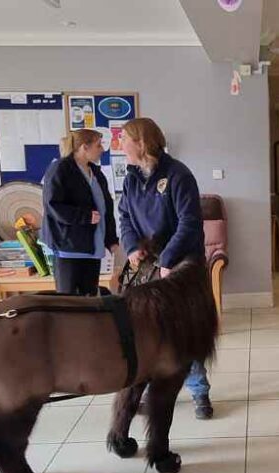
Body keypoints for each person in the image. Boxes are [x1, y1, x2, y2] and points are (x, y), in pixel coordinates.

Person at [117, 117, 213, 420]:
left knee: (185, 331)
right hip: (149, 264)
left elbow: (190, 224)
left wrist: (167, 260)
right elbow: (125, 217)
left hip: (181, 264)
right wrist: (132, 247)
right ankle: (144, 390)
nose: (119, 144)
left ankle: (199, 392)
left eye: (124, 139)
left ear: (141, 143)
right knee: (146, 330)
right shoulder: (131, 178)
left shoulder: (178, 175)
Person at [41, 129, 119, 296]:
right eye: (98, 145)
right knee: (69, 300)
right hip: (68, 247)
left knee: (90, 297)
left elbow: (106, 208)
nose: (102, 150)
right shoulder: (60, 168)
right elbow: (53, 205)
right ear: (85, 147)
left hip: (91, 247)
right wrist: (84, 216)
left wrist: (111, 239)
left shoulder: (96, 172)